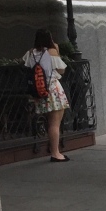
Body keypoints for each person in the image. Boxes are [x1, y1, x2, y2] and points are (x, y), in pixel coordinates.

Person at [22, 29, 71, 161]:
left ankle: (54, 150)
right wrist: (57, 51)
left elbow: (27, 67)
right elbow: (61, 69)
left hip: (39, 90)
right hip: (53, 89)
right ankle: (55, 153)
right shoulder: (52, 51)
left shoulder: (30, 53)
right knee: (55, 123)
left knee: (49, 122)